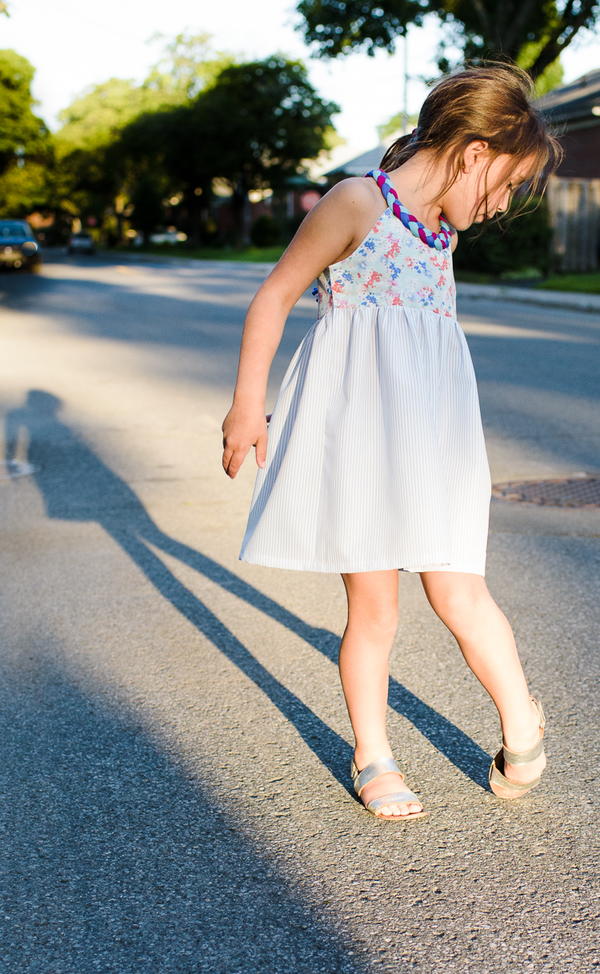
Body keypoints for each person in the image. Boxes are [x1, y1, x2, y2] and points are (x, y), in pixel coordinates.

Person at [221, 61, 563, 822]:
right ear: (475, 152)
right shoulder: (357, 203)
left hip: (435, 439)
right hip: (359, 440)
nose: (505, 204)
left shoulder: (439, 224)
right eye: (506, 184)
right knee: (374, 608)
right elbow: (276, 292)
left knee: (458, 587)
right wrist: (249, 404)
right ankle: (372, 753)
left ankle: (522, 721)